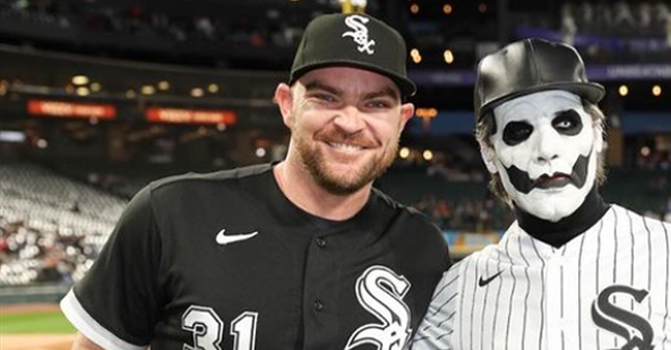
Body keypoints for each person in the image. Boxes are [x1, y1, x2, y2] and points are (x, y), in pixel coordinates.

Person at [60, 13, 450, 350]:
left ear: (402, 120)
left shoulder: (421, 247)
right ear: (287, 105)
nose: (350, 122)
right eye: (326, 97)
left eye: (376, 104)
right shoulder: (170, 213)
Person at [410, 39, 671, 350]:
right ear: (489, 153)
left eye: (565, 123)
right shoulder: (457, 292)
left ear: (596, 132)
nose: (546, 149)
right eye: (519, 131)